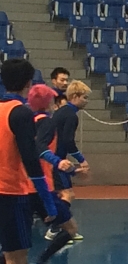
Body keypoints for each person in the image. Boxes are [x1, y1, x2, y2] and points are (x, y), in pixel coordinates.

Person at [0, 59, 58, 264]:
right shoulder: (20, 113)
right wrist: (47, 202)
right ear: (27, 84)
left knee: (5, 255)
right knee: (16, 261)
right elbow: (31, 160)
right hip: (11, 193)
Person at [24, 84, 82, 264]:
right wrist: (59, 162)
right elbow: (41, 149)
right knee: (70, 229)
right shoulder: (47, 124)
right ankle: (40, 262)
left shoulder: (26, 121)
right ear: (49, 102)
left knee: (17, 241)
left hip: (23, 185)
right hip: (42, 186)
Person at [49, 80, 91, 241]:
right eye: (84, 97)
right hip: (57, 160)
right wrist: (81, 159)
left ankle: (61, 227)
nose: (86, 101)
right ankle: (55, 228)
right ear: (75, 96)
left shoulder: (62, 112)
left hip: (57, 159)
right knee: (66, 194)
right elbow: (68, 141)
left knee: (65, 193)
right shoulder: (70, 116)